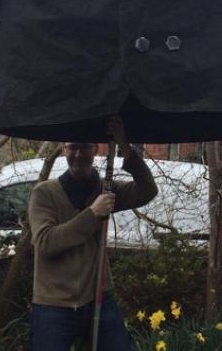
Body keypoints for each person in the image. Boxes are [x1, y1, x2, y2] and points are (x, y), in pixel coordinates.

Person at [27, 116, 157, 351]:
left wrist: (125, 145)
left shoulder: (105, 190)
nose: (78, 154)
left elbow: (147, 190)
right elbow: (46, 242)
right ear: (64, 149)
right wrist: (92, 214)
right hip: (53, 305)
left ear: (95, 149)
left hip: (97, 296)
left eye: (85, 147)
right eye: (72, 147)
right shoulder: (44, 193)